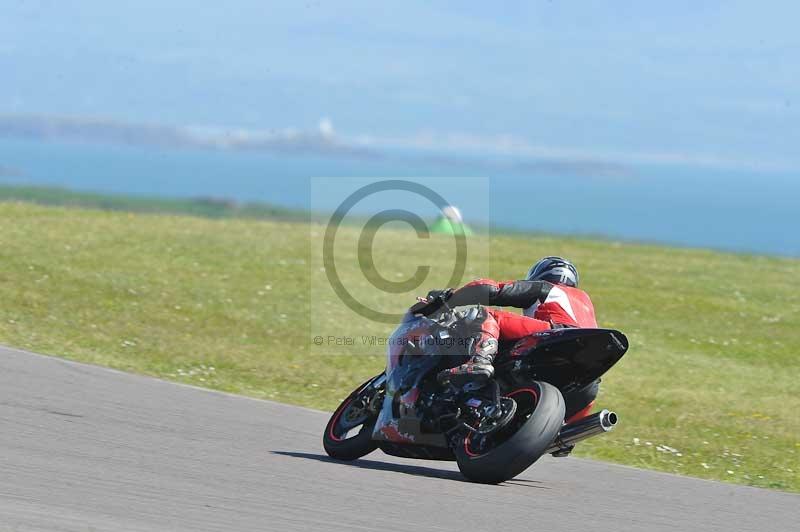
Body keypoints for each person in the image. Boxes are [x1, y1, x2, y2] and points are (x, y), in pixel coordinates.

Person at [413, 256, 599, 423]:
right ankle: (567, 430)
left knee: (486, 314)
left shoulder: (548, 288)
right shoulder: (585, 301)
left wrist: (449, 298)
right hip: (587, 368)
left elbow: (493, 290)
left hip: (557, 333)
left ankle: (479, 362)